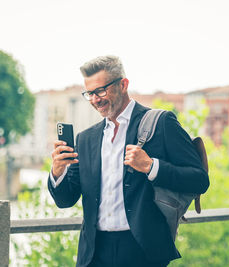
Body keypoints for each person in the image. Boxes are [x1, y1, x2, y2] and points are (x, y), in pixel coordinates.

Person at [48, 55, 209, 267]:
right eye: (90, 93)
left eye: (101, 91)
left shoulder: (161, 123)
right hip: (94, 253)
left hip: (143, 251)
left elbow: (199, 180)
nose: (96, 99)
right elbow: (65, 200)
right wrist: (57, 172)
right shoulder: (86, 139)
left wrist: (151, 167)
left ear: (123, 85)